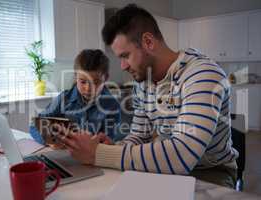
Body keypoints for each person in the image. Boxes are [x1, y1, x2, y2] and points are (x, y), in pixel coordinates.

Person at [62, 4, 239, 188]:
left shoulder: (203, 75)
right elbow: (139, 136)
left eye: (125, 55)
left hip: (210, 173)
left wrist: (98, 154)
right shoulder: (144, 84)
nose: (122, 66)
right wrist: (114, 147)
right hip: (165, 168)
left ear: (148, 42)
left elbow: (181, 155)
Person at [29, 49, 122, 146]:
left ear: (106, 78)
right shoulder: (64, 99)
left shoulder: (112, 106)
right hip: (63, 154)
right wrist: (49, 142)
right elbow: (34, 126)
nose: (88, 88)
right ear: (75, 77)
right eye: (82, 82)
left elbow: (108, 143)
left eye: (95, 82)